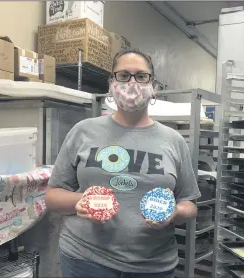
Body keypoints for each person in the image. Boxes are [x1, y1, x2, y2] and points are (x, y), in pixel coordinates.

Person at [45, 49, 201, 278]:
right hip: (85, 260)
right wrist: (81, 201)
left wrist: (174, 213)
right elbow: (52, 196)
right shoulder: (84, 131)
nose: (132, 83)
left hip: (152, 265)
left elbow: (190, 203)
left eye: (141, 76)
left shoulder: (173, 140)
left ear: (154, 86)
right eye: (123, 75)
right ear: (111, 84)